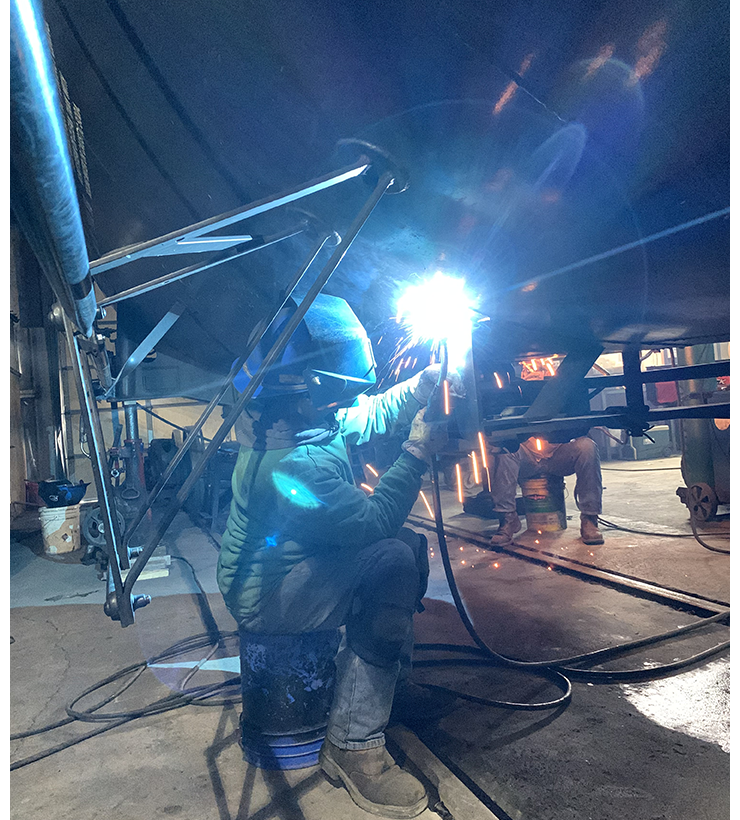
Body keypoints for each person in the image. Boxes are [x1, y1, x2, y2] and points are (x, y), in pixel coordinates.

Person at [217, 294, 455, 819]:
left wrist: (419, 386)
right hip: (267, 597)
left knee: (407, 549)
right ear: (310, 386)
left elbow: (362, 413)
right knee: (392, 556)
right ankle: (354, 746)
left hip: (287, 571)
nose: (343, 405)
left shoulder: (293, 417)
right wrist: (416, 453)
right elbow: (372, 522)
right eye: (335, 395)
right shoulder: (290, 466)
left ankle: (386, 690)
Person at [464, 434, 604, 545]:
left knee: (587, 447)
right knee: (505, 451)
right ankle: (507, 518)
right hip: (526, 455)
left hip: (561, 453)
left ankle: (590, 518)